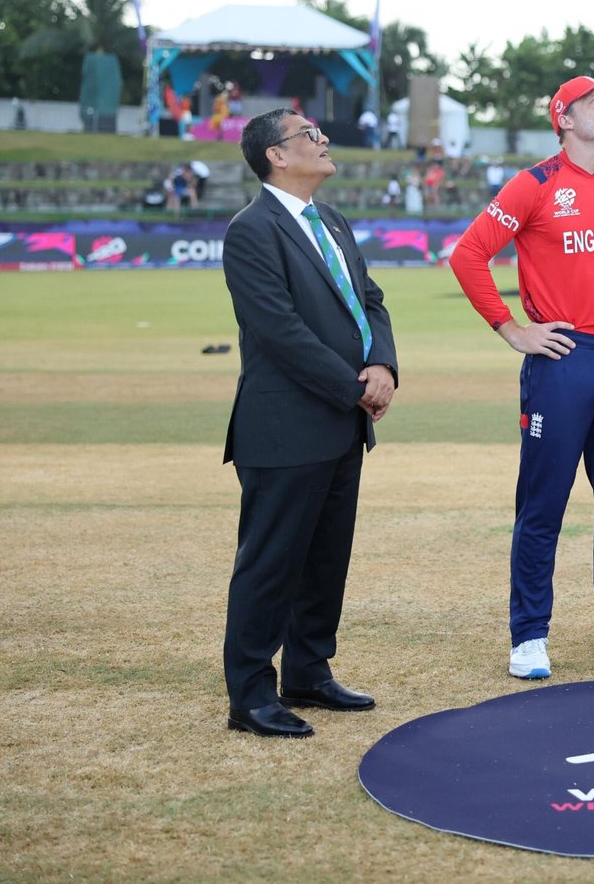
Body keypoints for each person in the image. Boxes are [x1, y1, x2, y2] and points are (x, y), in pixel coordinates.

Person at [450, 74, 594, 680]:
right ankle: (529, 635)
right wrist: (511, 329)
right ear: (565, 119)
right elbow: (468, 254)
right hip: (560, 361)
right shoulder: (535, 184)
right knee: (543, 505)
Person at [221, 109, 399, 738]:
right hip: (285, 424)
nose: (323, 142)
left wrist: (382, 363)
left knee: (326, 557)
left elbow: (369, 301)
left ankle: (308, 671)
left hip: (341, 422)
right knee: (271, 562)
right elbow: (279, 331)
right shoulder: (252, 230)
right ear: (275, 155)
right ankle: (250, 695)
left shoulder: (332, 222)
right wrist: (354, 387)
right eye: (308, 136)